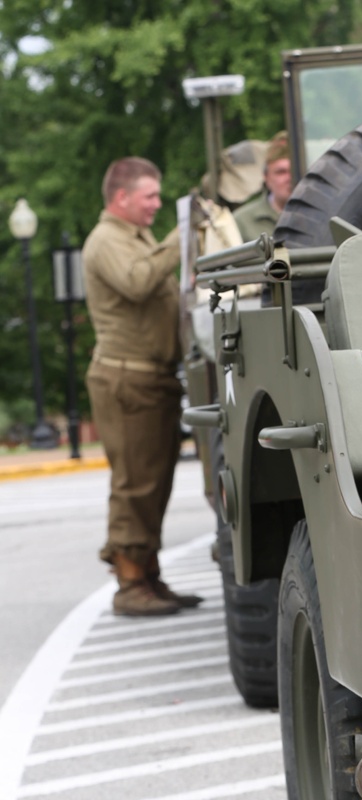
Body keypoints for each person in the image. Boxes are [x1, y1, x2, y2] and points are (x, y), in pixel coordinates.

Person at [82, 156, 200, 617]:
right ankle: (130, 584)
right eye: (150, 196)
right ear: (122, 197)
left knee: (153, 483)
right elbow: (137, 282)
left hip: (148, 377)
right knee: (135, 484)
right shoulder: (106, 240)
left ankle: (148, 574)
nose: (156, 204)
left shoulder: (133, 236)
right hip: (128, 378)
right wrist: (181, 235)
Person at [233, 133, 293, 241]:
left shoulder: (322, 215)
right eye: (281, 172)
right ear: (266, 177)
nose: (290, 178)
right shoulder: (242, 221)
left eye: (294, 171)